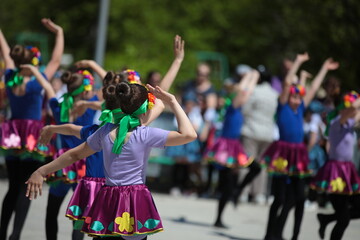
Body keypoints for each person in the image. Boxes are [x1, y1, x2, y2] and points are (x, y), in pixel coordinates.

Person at [25, 80, 197, 240]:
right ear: (145, 109)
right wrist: (173, 101)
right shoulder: (145, 134)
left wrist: (42, 171)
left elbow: (74, 154)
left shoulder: (105, 131)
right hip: (134, 200)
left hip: (108, 198)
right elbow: (189, 135)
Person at [261, 52, 339, 240]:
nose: (296, 100)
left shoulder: (301, 108)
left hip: (298, 154)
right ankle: (270, 234)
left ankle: (293, 235)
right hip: (282, 153)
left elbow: (313, 89)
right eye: (293, 97)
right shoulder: (282, 106)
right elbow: (288, 82)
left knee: (298, 198)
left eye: (298, 98)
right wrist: (298, 61)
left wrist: (324, 69)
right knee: (279, 198)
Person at [0, 18, 64, 240]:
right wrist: (59, 33)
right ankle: (15, 235)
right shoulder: (37, 81)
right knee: (26, 187)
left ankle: (3, 232)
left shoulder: (10, 76)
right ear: (33, 63)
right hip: (30, 134)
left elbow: (6, 53)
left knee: (12, 186)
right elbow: (56, 59)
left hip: (12, 132)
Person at [204, 70, 260, 228]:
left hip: (234, 145)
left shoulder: (238, 106)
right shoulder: (232, 105)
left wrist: (252, 78)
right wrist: (250, 77)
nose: (244, 96)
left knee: (255, 168)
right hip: (226, 148)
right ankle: (219, 218)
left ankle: (237, 191)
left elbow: (246, 93)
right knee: (227, 185)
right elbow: (243, 92)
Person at [311, 92, 360, 240]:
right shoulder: (336, 123)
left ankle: (326, 219)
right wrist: (355, 103)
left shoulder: (350, 124)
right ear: (341, 110)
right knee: (343, 219)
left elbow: (356, 112)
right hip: (336, 172)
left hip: (348, 171)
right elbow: (353, 110)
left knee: (356, 210)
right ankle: (327, 221)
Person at [238, 65, 278, 204]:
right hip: (268, 133)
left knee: (247, 163)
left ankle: (243, 192)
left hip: (251, 130)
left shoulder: (253, 91)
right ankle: (259, 195)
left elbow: (245, 110)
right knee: (262, 165)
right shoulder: (274, 94)